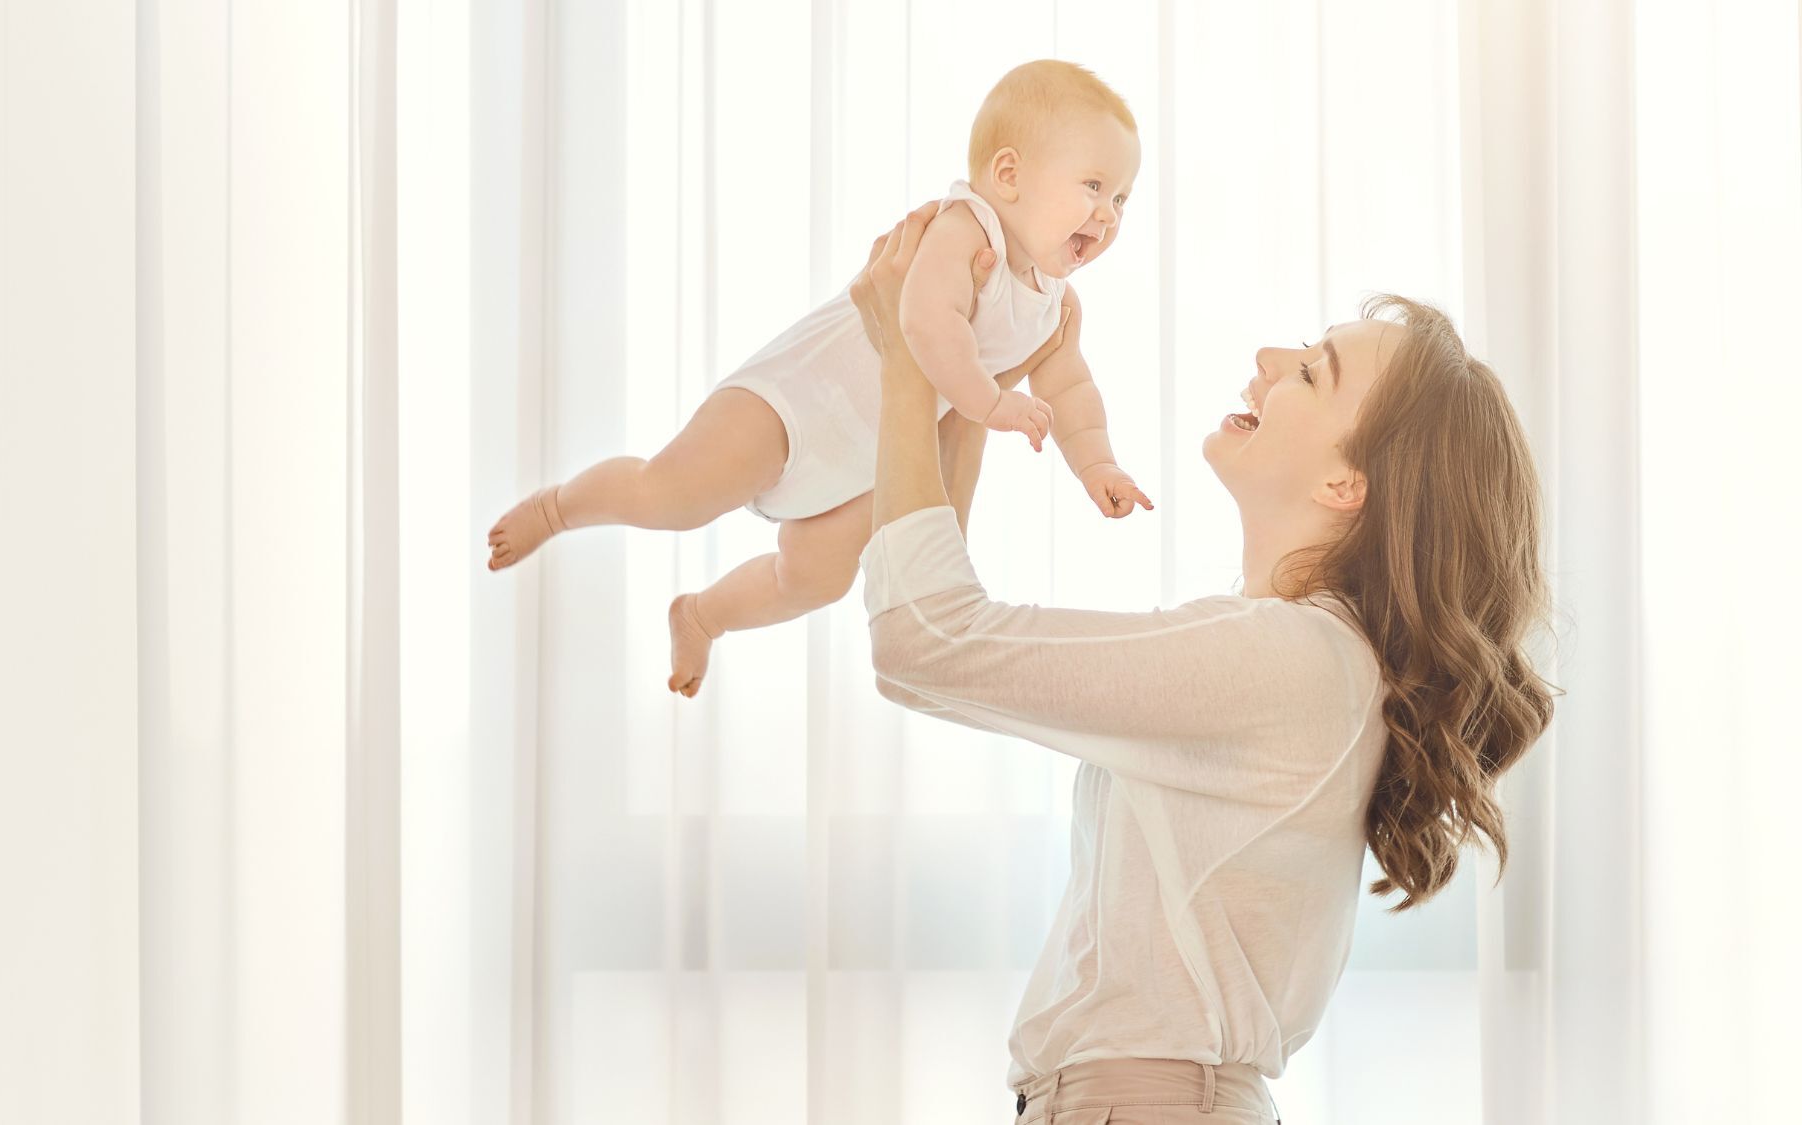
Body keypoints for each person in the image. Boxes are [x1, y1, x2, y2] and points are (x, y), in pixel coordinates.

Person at [848, 203, 1556, 1124]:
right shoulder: (1307, 663)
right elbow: (943, 633)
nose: (1268, 360)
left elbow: (924, 640)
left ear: (1347, 484)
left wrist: (912, 367)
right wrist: (965, 387)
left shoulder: (1291, 663)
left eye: (1309, 371)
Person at [485, 60, 1149, 699]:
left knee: (815, 577)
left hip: (864, 463)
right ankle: (557, 507)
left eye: (1121, 197)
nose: (1110, 214)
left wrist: (1099, 466)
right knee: (672, 496)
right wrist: (993, 402)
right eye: (1093, 187)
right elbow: (924, 323)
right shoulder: (965, 229)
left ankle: (703, 615)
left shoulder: (1056, 304)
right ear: (1008, 174)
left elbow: (1071, 391)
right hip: (795, 404)